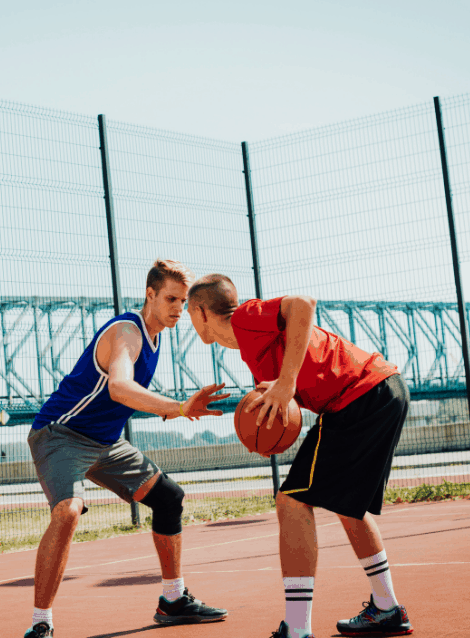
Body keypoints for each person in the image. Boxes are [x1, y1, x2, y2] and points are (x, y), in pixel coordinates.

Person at [187, 274, 413, 638]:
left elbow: (304, 303)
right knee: (346, 506)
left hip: (360, 396)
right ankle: (386, 608)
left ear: (200, 312)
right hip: (378, 391)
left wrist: (287, 382)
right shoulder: (251, 346)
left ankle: (296, 628)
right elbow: (300, 383)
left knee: (290, 502)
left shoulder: (245, 317)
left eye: (188, 312)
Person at [24, 259, 230, 638]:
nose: (178, 309)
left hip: (105, 443)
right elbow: (119, 387)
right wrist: (179, 407)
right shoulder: (127, 333)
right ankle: (40, 624)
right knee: (68, 511)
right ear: (149, 294)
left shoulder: (156, 335)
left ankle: (173, 599)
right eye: (170, 298)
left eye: (183, 302)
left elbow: (122, 399)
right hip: (61, 435)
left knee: (169, 498)